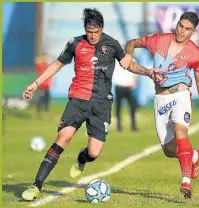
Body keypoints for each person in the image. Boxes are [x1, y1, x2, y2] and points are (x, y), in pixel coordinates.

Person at [21, 8, 154, 201]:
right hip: (77, 99)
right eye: (89, 32)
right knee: (63, 137)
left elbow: (129, 64)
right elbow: (56, 64)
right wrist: (35, 84)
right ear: (85, 29)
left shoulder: (112, 44)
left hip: (101, 104)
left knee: (94, 152)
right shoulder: (74, 43)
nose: (92, 36)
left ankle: (81, 159)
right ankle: (36, 186)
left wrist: (148, 72)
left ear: (102, 28)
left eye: (96, 32)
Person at [124, 12, 199, 199]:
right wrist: (128, 54)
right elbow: (132, 42)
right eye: (181, 26)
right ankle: (193, 156)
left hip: (181, 94)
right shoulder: (157, 40)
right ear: (177, 24)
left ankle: (186, 182)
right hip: (160, 99)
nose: (182, 31)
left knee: (181, 132)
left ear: (193, 31)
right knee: (170, 151)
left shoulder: (196, 54)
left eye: (187, 29)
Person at [112, 61, 139, 132]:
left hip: (128, 87)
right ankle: (119, 127)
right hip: (119, 86)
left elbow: (136, 73)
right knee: (118, 107)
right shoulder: (116, 61)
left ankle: (133, 126)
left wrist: (135, 83)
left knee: (133, 106)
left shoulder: (132, 60)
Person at [35, 53, 53, 119]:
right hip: (41, 86)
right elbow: (36, 60)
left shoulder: (49, 65)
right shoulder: (40, 65)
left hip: (47, 86)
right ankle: (39, 113)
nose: (47, 59)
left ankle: (46, 112)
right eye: (46, 57)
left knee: (47, 99)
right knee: (40, 99)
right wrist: (43, 58)